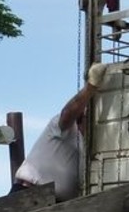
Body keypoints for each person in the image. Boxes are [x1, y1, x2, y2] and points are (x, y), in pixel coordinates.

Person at [12, 63, 107, 202]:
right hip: (30, 194)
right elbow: (67, 113)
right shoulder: (64, 127)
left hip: (58, 206)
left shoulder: (90, 146)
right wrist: (91, 87)